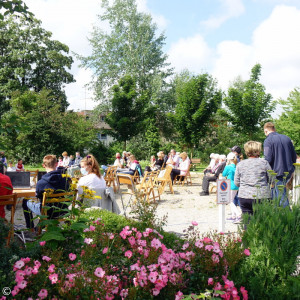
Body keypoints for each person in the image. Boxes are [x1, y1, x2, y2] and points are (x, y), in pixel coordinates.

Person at [22, 155, 69, 230]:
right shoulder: (65, 180)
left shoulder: (41, 182)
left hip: (47, 211)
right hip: (62, 209)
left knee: (25, 201)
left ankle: (30, 228)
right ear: (56, 164)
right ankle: (39, 227)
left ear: (43, 165)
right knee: (45, 204)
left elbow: (38, 196)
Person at [263, 122, 297, 207]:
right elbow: (294, 156)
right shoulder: (287, 138)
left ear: (266, 131)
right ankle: (278, 218)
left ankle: (287, 219)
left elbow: (268, 159)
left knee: (281, 198)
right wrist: (292, 168)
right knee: (277, 198)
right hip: (288, 171)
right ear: (274, 129)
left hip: (276, 173)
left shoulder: (268, 140)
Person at [234, 141, 271, 216]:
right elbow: (272, 179)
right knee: (262, 219)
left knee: (247, 220)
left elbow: (236, 182)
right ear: (257, 151)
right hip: (262, 195)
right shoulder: (264, 163)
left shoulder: (240, 164)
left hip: (244, 196)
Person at [222, 152, 241, 223]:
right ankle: (233, 215)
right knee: (232, 200)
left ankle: (238, 214)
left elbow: (224, 174)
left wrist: (226, 165)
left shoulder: (228, 167)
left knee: (230, 201)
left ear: (229, 159)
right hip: (236, 185)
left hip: (230, 185)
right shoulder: (236, 166)